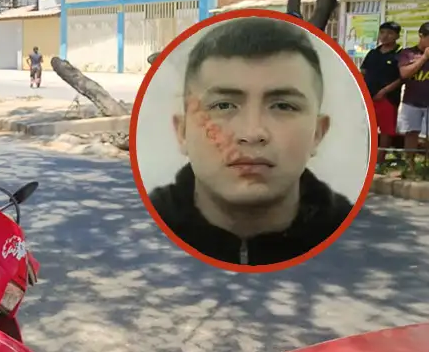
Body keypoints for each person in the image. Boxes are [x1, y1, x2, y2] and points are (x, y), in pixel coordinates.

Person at [147, 16, 353, 266]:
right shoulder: (145, 228)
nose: (252, 133)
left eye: (283, 106)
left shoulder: (352, 238)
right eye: (223, 105)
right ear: (182, 132)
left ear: (318, 134)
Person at [360, 21, 402, 165]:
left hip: (388, 99)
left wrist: (384, 91)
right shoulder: (373, 53)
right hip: (369, 97)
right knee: (367, 128)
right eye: (383, 32)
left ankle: (380, 162)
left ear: (396, 36)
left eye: (390, 33)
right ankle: (365, 158)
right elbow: (363, 72)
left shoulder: (400, 54)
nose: (385, 36)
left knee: (386, 131)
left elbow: (401, 78)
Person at [397, 22, 429, 166]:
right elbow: (404, 73)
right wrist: (424, 58)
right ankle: (409, 165)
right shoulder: (408, 53)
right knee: (411, 134)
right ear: (421, 36)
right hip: (412, 101)